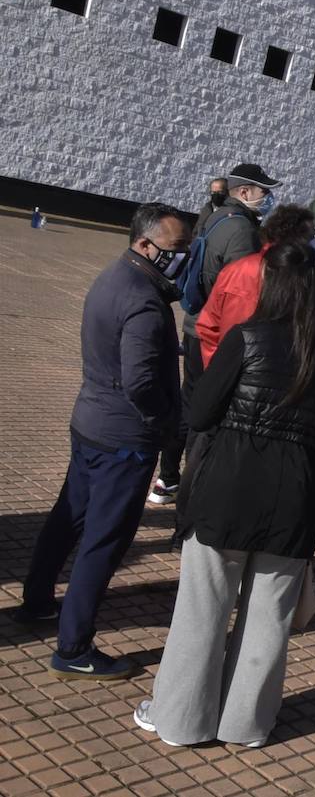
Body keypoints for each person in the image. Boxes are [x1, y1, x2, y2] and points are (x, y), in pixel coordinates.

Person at [136, 239, 315, 747]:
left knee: (202, 609)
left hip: (228, 486)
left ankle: (182, 719)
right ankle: (246, 724)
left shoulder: (246, 338)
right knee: (268, 620)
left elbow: (200, 413)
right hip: (293, 494)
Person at [18, 204, 188, 679]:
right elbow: (139, 380)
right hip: (123, 437)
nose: (183, 258)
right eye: (177, 250)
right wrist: (162, 421)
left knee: (67, 518)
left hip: (91, 421)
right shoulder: (145, 301)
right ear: (145, 244)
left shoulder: (114, 276)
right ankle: (73, 646)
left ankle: (37, 601)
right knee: (104, 540)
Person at [152, 163, 276, 507]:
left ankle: (168, 477)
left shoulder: (215, 217)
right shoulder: (242, 231)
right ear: (245, 192)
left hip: (196, 323)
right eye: (264, 191)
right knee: (206, 413)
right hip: (216, 333)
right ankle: (193, 487)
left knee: (189, 401)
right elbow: (242, 290)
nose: (268, 198)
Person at [191, 205, 315, 371]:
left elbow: (207, 326)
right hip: (270, 374)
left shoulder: (235, 269)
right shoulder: (303, 278)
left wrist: (217, 369)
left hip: (231, 369)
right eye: (310, 237)